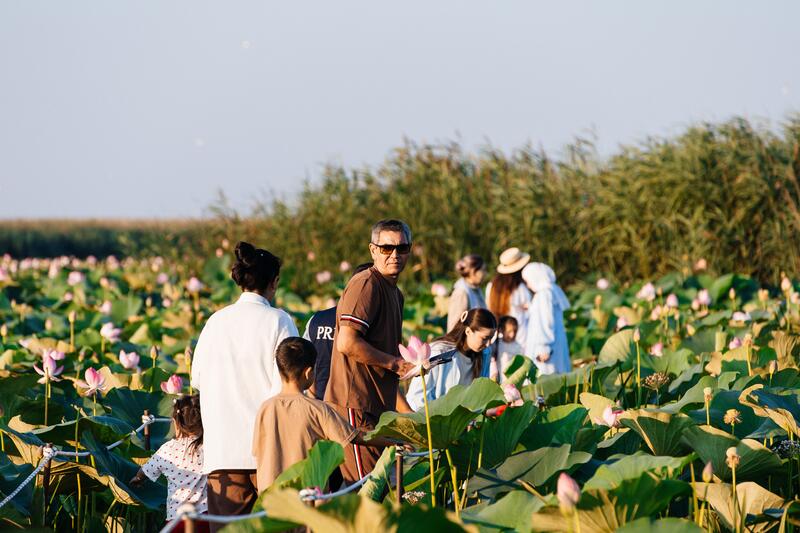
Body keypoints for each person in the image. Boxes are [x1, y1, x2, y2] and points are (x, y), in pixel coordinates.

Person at [190, 241, 298, 529]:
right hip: (270, 452)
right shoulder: (280, 321)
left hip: (223, 452)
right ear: (274, 282)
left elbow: (196, 379)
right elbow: (292, 387)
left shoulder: (215, 322)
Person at [324, 219, 417, 485]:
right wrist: (394, 364)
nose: (395, 255)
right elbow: (347, 343)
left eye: (402, 248)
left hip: (378, 408)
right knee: (365, 491)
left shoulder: (395, 293)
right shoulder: (366, 284)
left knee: (380, 490)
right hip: (356, 405)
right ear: (372, 250)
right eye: (386, 248)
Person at [252, 337, 402, 492]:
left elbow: (258, 454)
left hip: (270, 500)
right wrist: (395, 442)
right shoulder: (317, 409)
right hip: (307, 501)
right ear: (308, 372)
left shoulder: (265, 408)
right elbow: (356, 437)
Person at [130, 395, 208, 533]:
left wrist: (138, 479)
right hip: (206, 517)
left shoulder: (167, 450)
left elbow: (146, 471)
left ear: (176, 422)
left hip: (176, 520)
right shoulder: (208, 446)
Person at [302, 263, 373, 400]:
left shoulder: (316, 319)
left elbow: (303, 362)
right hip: (353, 408)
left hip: (318, 404)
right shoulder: (370, 325)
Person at [406, 308, 497, 411]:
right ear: (468, 331)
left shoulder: (485, 354)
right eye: (485, 338)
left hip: (464, 423)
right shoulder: (438, 352)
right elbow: (416, 397)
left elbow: (481, 396)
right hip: (432, 420)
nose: (489, 343)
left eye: (491, 338)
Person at [521, 262, 571, 375]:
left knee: (545, 381)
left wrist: (544, 347)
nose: (528, 285)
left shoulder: (543, 294)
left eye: (528, 281)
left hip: (546, 348)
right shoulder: (551, 291)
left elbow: (546, 321)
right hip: (555, 342)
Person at [486, 247, 532, 346]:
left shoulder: (491, 286)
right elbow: (530, 313)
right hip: (520, 338)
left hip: (499, 337)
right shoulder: (520, 288)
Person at [446, 254, 488, 331]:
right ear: (473, 271)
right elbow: (455, 326)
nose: (486, 273)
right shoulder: (461, 292)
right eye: (483, 270)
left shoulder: (476, 289)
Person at [489, 316, 525, 382]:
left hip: (513, 382)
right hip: (498, 380)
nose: (512, 334)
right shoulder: (497, 343)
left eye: (515, 331)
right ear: (501, 330)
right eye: (509, 331)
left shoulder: (519, 347)